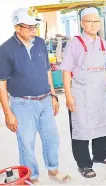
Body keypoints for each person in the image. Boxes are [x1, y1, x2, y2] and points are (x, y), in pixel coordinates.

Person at [0, 8, 71, 184]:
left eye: (35, 27)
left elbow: (47, 70)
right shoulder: (5, 50)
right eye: (29, 27)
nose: (34, 31)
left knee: (51, 137)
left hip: (45, 100)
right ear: (17, 27)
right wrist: (7, 112)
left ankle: (53, 169)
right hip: (22, 104)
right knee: (26, 142)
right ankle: (31, 177)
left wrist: (53, 95)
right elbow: (1, 84)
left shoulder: (39, 42)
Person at [59, 7, 106, 178]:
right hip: (80, 95)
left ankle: (100, 155)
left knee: (100, 125)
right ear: (82, 23)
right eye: (89, 21)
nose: (93, 24)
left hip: (98, 93)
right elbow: (66, 71)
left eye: (96, 21)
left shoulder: (104, 44)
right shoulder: (74, 43)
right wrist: (68, 96)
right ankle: (84, 164)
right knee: (81, 129)